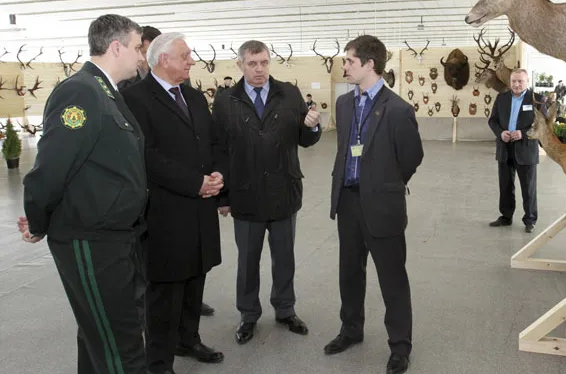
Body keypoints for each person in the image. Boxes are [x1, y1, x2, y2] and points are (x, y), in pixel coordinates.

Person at [19, 14, 149, 373]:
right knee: (122, 349)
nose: (142, 56)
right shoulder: (82, 91)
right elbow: (52, 166)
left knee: (99, 337)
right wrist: (37, 219)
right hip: (92, 240)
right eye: (138, 47)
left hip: (113, 237)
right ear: (116, 47)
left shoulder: (106, 92)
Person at [122, 33, 224, 373]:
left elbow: (209, 142)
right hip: (165, 213)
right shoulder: (135, 98)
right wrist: (195, 183)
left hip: (200, 209)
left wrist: (217, 175)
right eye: (185, 55)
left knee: (196, 278)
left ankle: (188, 340)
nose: (191, 60)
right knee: (165, 292)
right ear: (164, 60)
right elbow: (145, 155)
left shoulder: (194, 97)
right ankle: (160, 361)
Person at [211, 40, 322, 345]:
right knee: (248, 261)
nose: (259, 70)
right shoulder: (225, 101)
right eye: (252, 64)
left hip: (283, 190)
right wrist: (222, 196)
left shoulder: (289, 93)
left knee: (284, 257)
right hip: (245, 195)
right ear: (240, 65)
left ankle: (285, 310)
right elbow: (218, 150)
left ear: (269, 62)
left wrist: (312, 126)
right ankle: (248, 315)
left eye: (263, 63)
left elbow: (305, 139)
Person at [325, 35, 423, 374]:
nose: (345, 65)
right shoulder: (344, 104)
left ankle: (400, 347)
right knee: (349, 273)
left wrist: (386, 185)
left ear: (370, 65)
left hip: (382, 206)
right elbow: (344, 149)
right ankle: (351, 330)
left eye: (350, 61)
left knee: (392, 279)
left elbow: (412, 158)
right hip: (349, 203)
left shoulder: (398, 110)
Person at [487, 69, 542, 233]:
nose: (517, 84)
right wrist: (500, 133)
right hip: (505, 148)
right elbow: (493, 121)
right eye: (514, 81)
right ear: (509, 82)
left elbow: (542, 127)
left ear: (527, 81)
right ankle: (506, 216)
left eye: (520, 81)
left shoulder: (537, 100)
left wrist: (523, 133)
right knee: (505, 186)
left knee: (528, 187)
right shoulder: (501, 98)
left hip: (526, 149)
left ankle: (530, 220)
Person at [117, 25, 161, 90]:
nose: (152, 57)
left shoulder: (165, 77)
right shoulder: (122, 80)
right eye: (145, 52)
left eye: (155, 52)